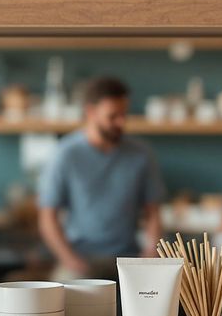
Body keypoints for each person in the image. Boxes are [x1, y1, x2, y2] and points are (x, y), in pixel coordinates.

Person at [38, 76, 165, 278]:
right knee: (62, 297)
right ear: (91, 112)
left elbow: (153, 213)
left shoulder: (141, 154)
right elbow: (48, 218)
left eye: (124, 115)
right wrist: (69, 259)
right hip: (81, 257)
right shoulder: (65, 154)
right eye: (113, 116)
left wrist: (151, 253)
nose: (121, 122)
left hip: (129, 258)